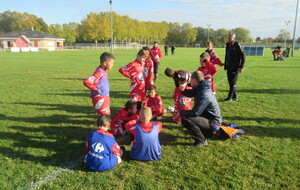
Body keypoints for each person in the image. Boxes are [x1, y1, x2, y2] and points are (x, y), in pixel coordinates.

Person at [179, 71, 222, 147]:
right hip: (208, 118)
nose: (189, 81)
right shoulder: (201, 87)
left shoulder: (203, 92)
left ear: (194, 80)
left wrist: (181, 112)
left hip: (213, 123)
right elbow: (191, 93)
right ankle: (203, 133)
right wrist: (183, 90)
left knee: (188, 119)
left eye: (190, 79)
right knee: (186, 119)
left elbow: (195, 113)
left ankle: (201, 140)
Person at [223, 32, 246, 102]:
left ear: (234, 38)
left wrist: (241, 67)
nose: (229, 39)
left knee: (232, 83)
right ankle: (235, 96)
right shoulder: (227, 45)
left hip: (235, 67)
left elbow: (243, 55)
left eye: (230, 38)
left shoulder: (237, 45)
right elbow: (226, 56)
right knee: (231, 83)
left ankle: (229, 97)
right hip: (229, 66)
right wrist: (225, 66)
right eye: (228, 38)